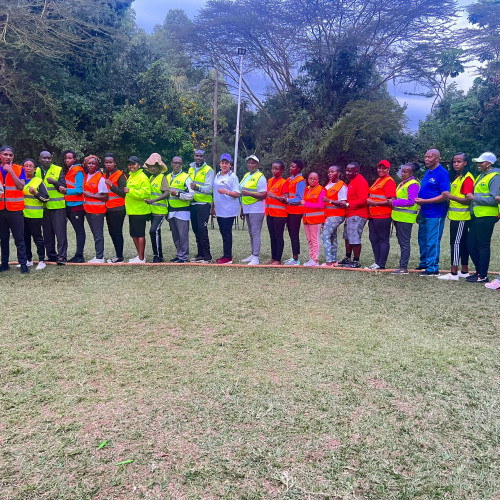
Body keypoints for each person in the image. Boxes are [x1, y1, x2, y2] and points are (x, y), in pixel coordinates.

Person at [465, 152, 500, 283]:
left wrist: (474, 198)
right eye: (478, 162)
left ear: (489, 163)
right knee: (471, 244)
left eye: (482, 162)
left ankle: (483, 275)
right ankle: (479, 272)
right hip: (477, 215)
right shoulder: (482, 175)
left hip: (487, 216)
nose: (478, 164)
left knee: (482, 245)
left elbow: (494, 199)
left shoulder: (495, 177)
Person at [415, 149, 450, 276]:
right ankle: (424, 262)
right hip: (424, 211)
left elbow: (445, 195)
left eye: (430, 157)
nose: (426, 159)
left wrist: (425, 201)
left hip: (436, 213)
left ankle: (433, 268)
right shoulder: (428, 172)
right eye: (425, 156)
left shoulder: (442, 173)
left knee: (432, 240)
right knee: (422, 239)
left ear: (437, 159)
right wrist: (420, 208)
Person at [439, 153, 475, 280]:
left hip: (461, 216)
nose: (455, 164)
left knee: (455, 243)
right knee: (462, 243)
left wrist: (451, 197)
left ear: (465, 163)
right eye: (454, 162)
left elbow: (468, 200)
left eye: (459, 161)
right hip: (456, 216)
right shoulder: (458, 177)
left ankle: (453, 272)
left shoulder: (467, 178)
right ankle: (464, 271)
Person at [0, 145, 29, 273]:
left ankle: (23, 264)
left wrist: (10, 171)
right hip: (1, 210)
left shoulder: (19, 169)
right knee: (3, 239)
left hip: (16, 210)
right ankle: (4, 264)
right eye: (5, 154)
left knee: (19, 239)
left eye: (10, 155)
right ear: (0, 156)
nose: (8, 157)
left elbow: (21, 186)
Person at [36, 150, 67, 265]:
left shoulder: (58, 169)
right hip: (43, 208)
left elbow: (64, 187)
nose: (47, 160)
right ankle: (51, 255)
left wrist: (55, 182)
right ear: (40, 159)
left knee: (60, 233)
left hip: (58, 207)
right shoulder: (36, 171)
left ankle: (62, 256)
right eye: (44, 158)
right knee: (47, 234)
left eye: (49, 158)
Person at [366, 160, 396, 270]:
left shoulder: (388, 181)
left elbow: (392, 200)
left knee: (383, 239)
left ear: (388, 169)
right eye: (379, 168)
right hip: (373, 215)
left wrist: (374, 203)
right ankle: (377, 262)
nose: (381, 170)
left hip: (383, 215)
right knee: (373, 238)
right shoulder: (379, 180)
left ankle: (381, 264)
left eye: (384, 168)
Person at [390, 163, 420, 275]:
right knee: (401, 242)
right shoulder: (402, 183)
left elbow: (411, 201)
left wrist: (393, 202)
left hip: (406, 218)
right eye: (402, 171)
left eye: (405, 172)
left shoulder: (413, 184)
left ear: (411, 173)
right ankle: (402, 265)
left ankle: (403, 268)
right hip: (398, 217)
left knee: (404, 243)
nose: (402, 174)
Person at [339, 162, 369, 268]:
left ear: (357, 171)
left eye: (350, 171)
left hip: (358, 214)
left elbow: (363, 200)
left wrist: (347, 204)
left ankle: (356, 261)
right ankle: (348, 258)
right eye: (346, 170)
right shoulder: (352, 181)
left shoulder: (360, 181)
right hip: (350, 214)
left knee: (354, 238)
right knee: (348, 237)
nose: (347, 173)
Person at [212, 153, 241, 264]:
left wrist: (226, 192)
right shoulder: (217, 175)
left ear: (230, 165)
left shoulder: (232, 177)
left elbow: (237, 194)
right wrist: (213, 207)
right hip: (219, 210)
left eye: (227, 163)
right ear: (220, 164)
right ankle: (225, 255)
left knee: (226, 233)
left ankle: (228, 257)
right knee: (223, 232)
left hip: (229, 210)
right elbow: (215, 193)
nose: (224, 165)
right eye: (222, 163)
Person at [239, 155, 267, 266]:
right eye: (249, 163)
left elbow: (263, 195)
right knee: (250, 232)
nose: (250, 165)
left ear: (257, 164)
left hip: (257, 208)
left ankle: (256, 257)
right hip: (247, 206)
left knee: (255, 232)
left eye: (253, 163)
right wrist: (242, 208)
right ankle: (252, 253)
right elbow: (242, 191)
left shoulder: (260, 177)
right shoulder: (246, 175)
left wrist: (249, 193)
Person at [22, 158, 49, 270]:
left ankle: (42, 260)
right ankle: (28, 260)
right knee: (25, 238)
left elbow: (46, 198)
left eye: (31, 166)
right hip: (22, 215)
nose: (28, 168)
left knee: (37, 238)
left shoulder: (38, 181)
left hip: (35, 215)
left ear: (34, 169)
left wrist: (36, 193)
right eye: (26, 166)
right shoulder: (20, 180)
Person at [59, 150, 86, 263]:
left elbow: (80, 189)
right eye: (65, 158)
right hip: (68, 204)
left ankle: (79, 255)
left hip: (77, 206)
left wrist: (66, 191)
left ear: (74, 159)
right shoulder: (69, 170)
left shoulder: (78, 171)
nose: (67, 160)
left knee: (79, 231)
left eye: (69, 158)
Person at [123, 155, 151, 263]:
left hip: (140, 211)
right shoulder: (131, 176)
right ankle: (139, 255)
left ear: (139, 165)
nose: (131, 166)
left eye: (133, 164)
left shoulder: (142, 177)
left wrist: (130, 191)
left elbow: (146, 193)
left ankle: (141, 258)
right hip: (132, 210)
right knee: (133, 234)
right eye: (129, 164)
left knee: (140, 234)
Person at [167, 156, 194, 263]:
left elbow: (191, 195)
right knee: (175, 235)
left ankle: (184, 256)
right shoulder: (167, 177)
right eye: (175, 163)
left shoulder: (186, 177)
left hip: (183, 211)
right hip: (171, 210)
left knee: (183, 235)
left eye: (179, 163)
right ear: (171, 164)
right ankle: (179, 254)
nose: (177, 165)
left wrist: (178, 194)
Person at [189, 149, 214, 263]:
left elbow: (208, 188)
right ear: (194, 156)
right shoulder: (190, 168)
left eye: (200, 156)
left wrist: (197, 187)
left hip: (203, 204)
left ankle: (207, 256)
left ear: (204, 157)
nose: (198, 158)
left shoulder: (208, 170)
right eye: (196, 155)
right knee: (196, 230)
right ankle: (200, 255)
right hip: (192, 203)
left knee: (202, 230)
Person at [82, 155, 108, 263]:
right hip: (88, 210)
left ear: (96, 165)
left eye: (93, 163)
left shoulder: (100, 178)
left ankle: (100, 257)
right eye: (89, 163)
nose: (91, 165)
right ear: (86, 164)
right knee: (95, 234)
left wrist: (90, 195)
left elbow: (105, 196)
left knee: (98, 234)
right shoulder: (86, 176)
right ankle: (98, 255)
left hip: (97, 211)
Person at [144, 153, 169, 263]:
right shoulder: (150, 178)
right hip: (152, 211)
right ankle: (158, 256)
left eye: (154, 166)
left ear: (159, 167)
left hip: (160, 211)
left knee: (153, 231)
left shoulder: (162, 177)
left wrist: (153, 201)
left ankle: (157, 256)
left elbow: (167, 193)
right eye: (150, 166)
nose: (152, 168)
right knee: (156, 232)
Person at [103, 153, 127, 263]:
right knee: (111, 232)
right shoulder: (104, 175)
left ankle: (120, 256)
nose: (108, 164)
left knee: (117, 232)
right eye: (106, 162)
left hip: (118, 209)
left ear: (115, 163)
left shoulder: (120, 175)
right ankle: (117, 254)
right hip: (108, 209)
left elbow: (123, 193)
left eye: (110, 162)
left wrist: (111, 185)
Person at [321, 166, 347, 266]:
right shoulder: (329, 184)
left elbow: (344, 203)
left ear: (339, 173)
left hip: (336, 215)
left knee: (325, 236)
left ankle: (328, 262)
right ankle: (334, 261)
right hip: (328, 214)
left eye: (332, 172)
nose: (330, 174)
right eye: (329, 172)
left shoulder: (342, 186)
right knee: (333, 237)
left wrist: (329, 201)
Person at [264, 160, 288, 265]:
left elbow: (285, 199)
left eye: (277, 169)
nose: (274, 170)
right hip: (270, 213)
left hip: (280, 214)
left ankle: (278, 259)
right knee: (272, 236)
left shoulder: (284, 182)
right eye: (273, 168)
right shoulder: (269, 181)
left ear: (282, 170)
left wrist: (274, 196)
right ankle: (273, 258)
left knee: (278, 236)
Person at [283, 159, 306, 265]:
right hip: (289, 210)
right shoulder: (290, 179)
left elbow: (299, 198)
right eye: (290, 166)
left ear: (299, 169)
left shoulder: (300, 181)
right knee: (291, 233)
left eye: (293, 167)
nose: (290, 168)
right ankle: (293, 257)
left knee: (294, 234)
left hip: (296, 211)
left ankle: (296, 258)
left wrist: (288, 200)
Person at [301, 172, 326, 266]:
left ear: (318, 180)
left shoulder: (321, 190)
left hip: (316, 219)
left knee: (314, 239)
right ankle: (311, 258)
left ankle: (315, 260)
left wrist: (305, 204)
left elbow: (320, 205)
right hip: (306, 218)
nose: (312, 180)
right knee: (309, 239)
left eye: (314, 178)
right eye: (310, 178)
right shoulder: (307, 189)